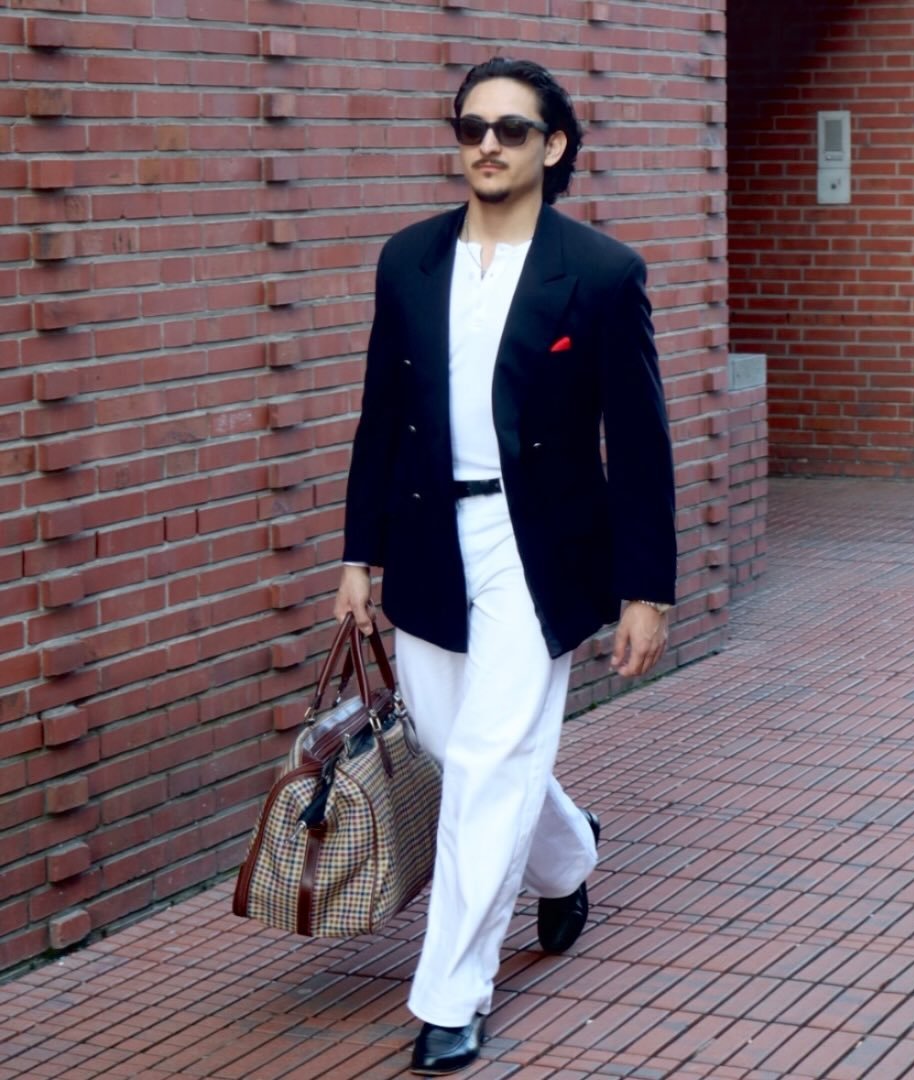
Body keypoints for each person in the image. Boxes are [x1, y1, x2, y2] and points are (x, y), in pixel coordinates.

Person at [333, 56, 676, 1076]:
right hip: (429, 538)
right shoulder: (408, 260)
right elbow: (380, 418)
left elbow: (640, 443)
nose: (486, 144)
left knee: (488, 767)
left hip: (540, 549)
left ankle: (451, 996)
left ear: (551, 145)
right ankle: (566, 855)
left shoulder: (601, 273)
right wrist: (359, 554)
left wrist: (646, 589)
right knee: (454, 748)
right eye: (471, 126)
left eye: (511, 129)